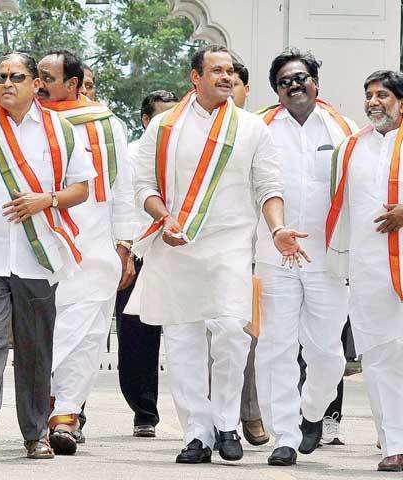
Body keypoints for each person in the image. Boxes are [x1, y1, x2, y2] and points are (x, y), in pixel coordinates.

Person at [127, 44, 309, 465]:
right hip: (176, 242)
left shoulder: (250, 128)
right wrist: (165, 218)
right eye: (216, 71)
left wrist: (279, 228)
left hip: (229, 242)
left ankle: (227, 423)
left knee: (230, 330)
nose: (226, 77)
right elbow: (143, 186)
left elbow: (269, 186)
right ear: (196, 77)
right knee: (183, 340)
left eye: (230, 71)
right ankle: (197, 432)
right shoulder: (163, 128)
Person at [0, 51, 95, 462]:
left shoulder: (61, 130)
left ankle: (35, 434)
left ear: (35, 84)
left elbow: (82, 188)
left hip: (39, 255)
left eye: (16, 76)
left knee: (35, 347)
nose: (7, 83)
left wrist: (44, 200)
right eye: (1, 76)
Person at [254, 49, 356, 466]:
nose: (294, 85)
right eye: (284, 81)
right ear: (275, 90)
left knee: (328, 351)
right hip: (273, 253)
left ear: (316, 82)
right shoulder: (260, 129)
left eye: (301, 78)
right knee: (275, 346)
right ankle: (285, 434)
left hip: (326, 258)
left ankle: (312, 412)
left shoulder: (343, 128)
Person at [36, 49, 135, 455]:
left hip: (95, 245)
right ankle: (41, 405)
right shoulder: (27, 122)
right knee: (50, 329)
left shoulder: (109, 126)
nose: (37, 83)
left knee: (90, 334)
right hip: (41, 243)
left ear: (72, 84)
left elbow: (123, 188)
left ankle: (66, 415)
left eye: (46, 76)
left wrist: (125, 245)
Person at [326, 70, 403, 472]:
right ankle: (394, 442)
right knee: (378, 355)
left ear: (401, 102)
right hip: (371, 269)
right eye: (369, 95)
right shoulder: (351, 147)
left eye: (383, 95)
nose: (373, 102)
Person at [116, 89, 178, 439]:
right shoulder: (129, 156)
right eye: (160, 117)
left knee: (187, 336)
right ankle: (144, 412)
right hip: (139, 255)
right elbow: (123, 204)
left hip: (179, 253)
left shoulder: (189, 151)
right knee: (136, 338)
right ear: (144, 121)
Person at [221, 61, 269, 448]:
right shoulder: (197, 131)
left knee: (246, 336)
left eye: (234, 84)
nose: (228, 89)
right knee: (212, 336)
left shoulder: (258, 130)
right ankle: (217, 421)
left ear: (245, 89)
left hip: (257, 250)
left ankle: (249, 412)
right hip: (214, 250)